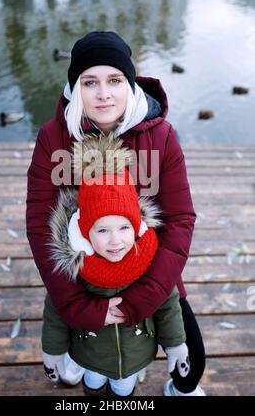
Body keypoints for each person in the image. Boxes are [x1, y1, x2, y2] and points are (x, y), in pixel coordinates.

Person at [26, 31, 206, 396]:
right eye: (89, 82)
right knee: (95, 378)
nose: (103, 93)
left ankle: (174, 385)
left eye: (114, 80)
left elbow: (180, 220)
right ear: (76, 88)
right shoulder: (53, 138)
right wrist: (78, 307)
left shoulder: (162, 137)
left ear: (130, 84)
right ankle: (85, 356)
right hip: (83, 278)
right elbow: (39, 225)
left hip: (146, 270)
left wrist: (147, 296)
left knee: (192, 367)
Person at [42, 134, 190, 397]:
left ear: (135, 226)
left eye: (124, 227)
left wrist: (175, 344)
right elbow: (56, 310)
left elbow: (168, 304)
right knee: (94, 385)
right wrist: (52, 348)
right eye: (102, 230)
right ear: (86, 233)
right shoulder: (77, 266)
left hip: (135, 355)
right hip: (90, 354)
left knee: (124, 389)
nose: (115, 241)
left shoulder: (148, 258)